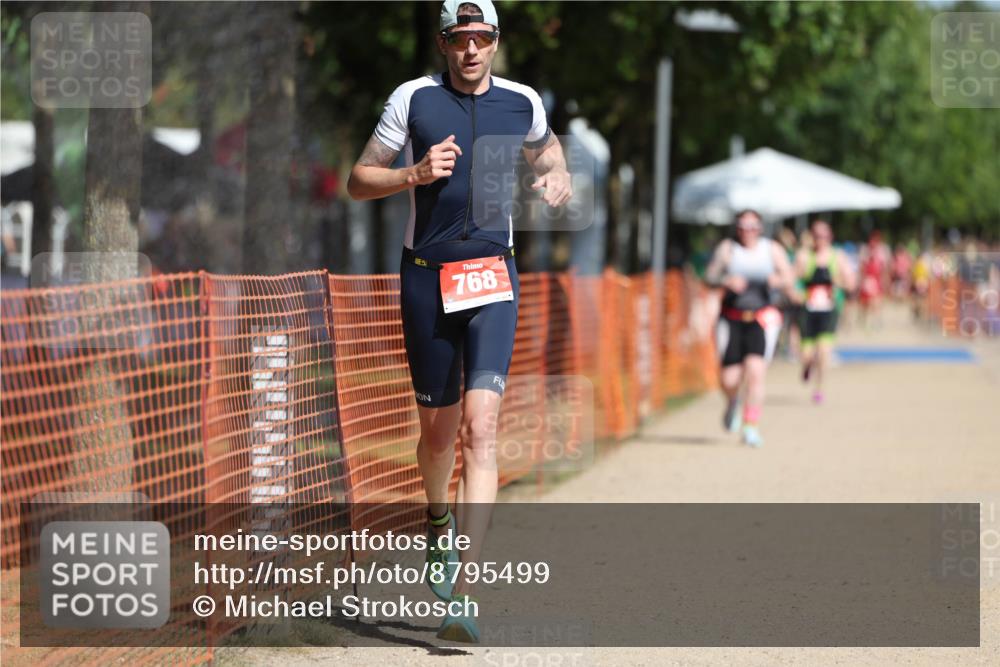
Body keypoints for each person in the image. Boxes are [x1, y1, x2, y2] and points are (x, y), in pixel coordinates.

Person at [347, 0, 572, 643]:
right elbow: (358, 179)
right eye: (459, 39)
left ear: (495, 42)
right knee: (438, 437)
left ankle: (465, 594)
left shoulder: (522, 102)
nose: (471, 50)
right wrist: (412, 173)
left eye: (481, 38)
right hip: (425, 277)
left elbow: (548, 152)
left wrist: (556, 177)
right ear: (444, 44)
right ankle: (437, 518)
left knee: (482, 428)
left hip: (493, 277)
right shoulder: (412, 100)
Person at [704, 210, 797, 448]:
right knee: (729, 378)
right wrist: (726, 280)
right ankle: (732, 401)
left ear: (760, 227)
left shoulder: (771, 249)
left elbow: (790, 276)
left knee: (756, 372)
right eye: (743, 225)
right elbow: (709, 276)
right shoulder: (728, 249)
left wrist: (778, 280)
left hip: (760, 318)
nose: (748, 230)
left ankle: (751, 426)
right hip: (731, 318)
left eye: (753, 225)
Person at [794, 219, 857, 404]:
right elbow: (791, 279)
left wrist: (840, 283)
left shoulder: (838, 257)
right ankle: (807, 366)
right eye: (816, 235)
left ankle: (819, 388)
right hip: (808, 310)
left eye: (824, 236)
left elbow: (851, 283)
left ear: (830, 237)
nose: (820, 239)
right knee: (807, 354)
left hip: (829, 310)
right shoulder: (804, 256)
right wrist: (795, 292)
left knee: (823, 352)